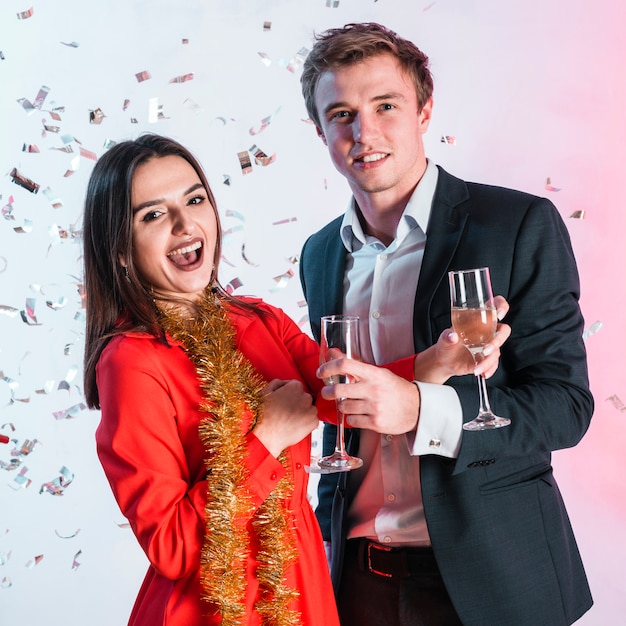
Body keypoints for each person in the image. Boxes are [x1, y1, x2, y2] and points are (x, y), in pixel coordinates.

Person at [82, 133, 501, 626]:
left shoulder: (257, 320)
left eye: (195, 200)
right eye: (152, 214)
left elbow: (341, 393)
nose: (184, 223)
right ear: (120, 249)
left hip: (300, 587)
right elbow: (171, 546)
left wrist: (439, 361)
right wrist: (269, 438)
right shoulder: (130, 361)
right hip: (214, 609)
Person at [298, 22, 594, 626]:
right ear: (321, 130)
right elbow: (339, 418)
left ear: (424, 110)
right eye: (342, 114)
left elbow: (566, 406)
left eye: (386, 106)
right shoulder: (319, 253)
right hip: (357, 581)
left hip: (495, 583)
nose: (365, 132)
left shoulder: (517, 224)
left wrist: (421, 410)